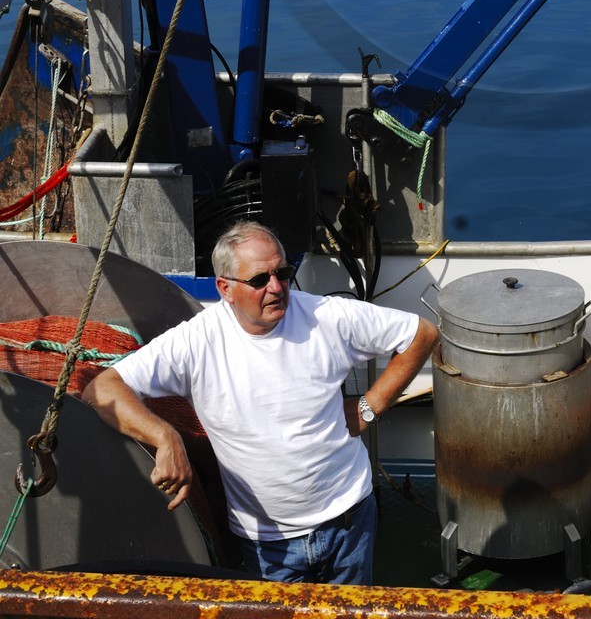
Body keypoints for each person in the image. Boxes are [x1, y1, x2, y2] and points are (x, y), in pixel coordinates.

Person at [83, 220, 439, 585]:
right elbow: (101, 389)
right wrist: (165, 437)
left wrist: (369, 406)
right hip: (267, 548)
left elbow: (421, 334)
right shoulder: (195, 342)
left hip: (350, 523)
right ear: (225, 288)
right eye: (259, 280)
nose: (276, 287)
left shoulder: (325, 316)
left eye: (282, 273)